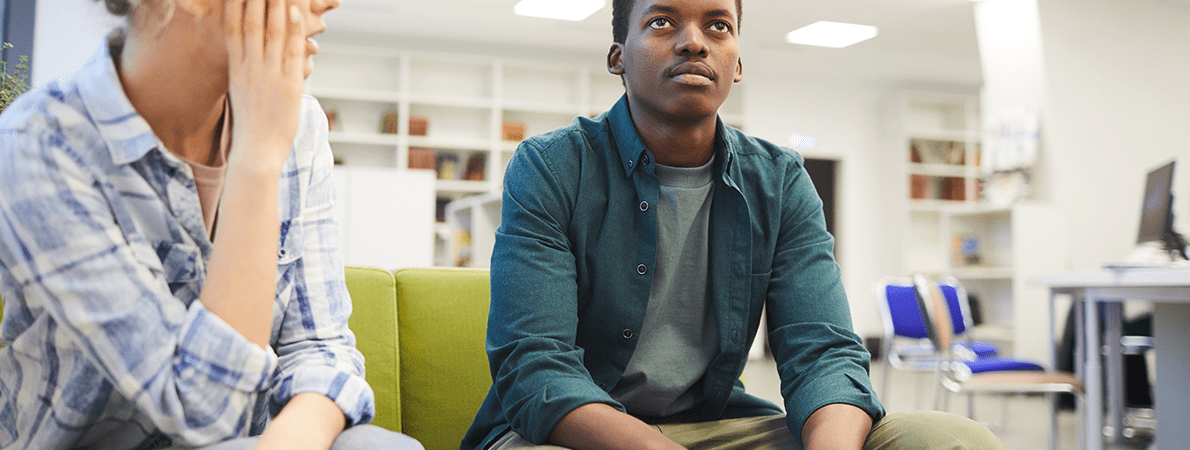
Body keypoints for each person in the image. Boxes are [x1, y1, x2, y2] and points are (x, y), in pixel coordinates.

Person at [462, 0, 1007, 448]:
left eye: (718, 25)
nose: (694, 42)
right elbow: (535, 365)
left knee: (951, 439)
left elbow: (823, 351)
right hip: (576, 435)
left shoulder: (781, 181)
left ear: (738, 62)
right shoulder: (552, 167)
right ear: (617, 57)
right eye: (661, 22)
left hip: (722, 425)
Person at [0, 0, 421, 449]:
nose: (331, 2)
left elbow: (322, 347)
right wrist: (257, 157)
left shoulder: (302, 126)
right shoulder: (38, 146)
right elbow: (204, 411)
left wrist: (293, 437)